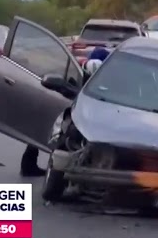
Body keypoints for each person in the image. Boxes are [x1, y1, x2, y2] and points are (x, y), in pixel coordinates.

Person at [20, 46, 111, 177]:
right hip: (71, 107)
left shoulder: (87, 69)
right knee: (55, 133)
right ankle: (33, 165)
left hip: (79, 107)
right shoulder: (85, 70)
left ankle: (33, 164)